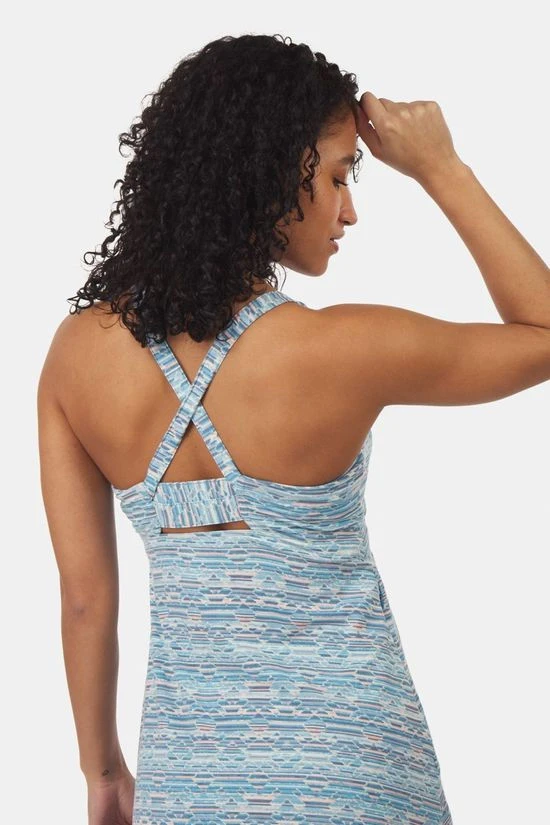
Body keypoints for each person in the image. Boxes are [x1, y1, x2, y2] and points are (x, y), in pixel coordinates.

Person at [37, 33, 550, 825]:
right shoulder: (339, 348)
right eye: (340, 175)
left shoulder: (77, 357)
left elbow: (84, 601)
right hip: (357, 778)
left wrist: (102, 771)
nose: (350, 209)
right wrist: (441, 167)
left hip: (190, 784)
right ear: (273, 169)